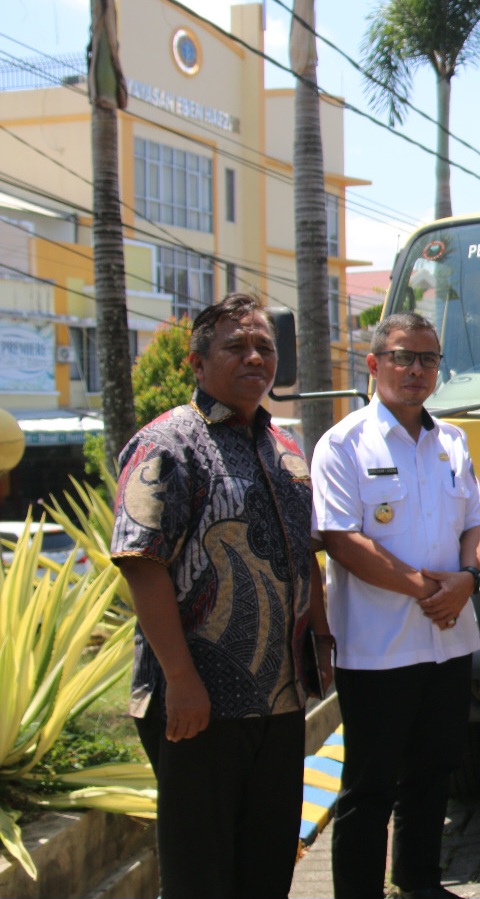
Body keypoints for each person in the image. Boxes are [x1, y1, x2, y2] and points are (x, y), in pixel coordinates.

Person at [110, 293, 330, 899]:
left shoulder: (283, 449)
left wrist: (320, 640)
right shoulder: (168, 444)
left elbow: (304, 557)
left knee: (267, 865)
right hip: (198, 704)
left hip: (280, 699)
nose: (254, 357)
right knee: (201, 875)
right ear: (198, 363)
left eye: (265, 346)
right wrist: (180, 678)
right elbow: (141, 562)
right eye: (236, 345)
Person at [311, 313, 480, 899]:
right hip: (378, 646)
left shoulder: (453, 441)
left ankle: (418, 883)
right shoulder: (343, 443)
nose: (416, 370)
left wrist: (467, 579)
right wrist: (427, 590)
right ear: (373, 363)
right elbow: (342, 540)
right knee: (368, 786)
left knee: (434, 772)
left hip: (449, 637)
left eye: (428, 359)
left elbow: (477, 525)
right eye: (402, 357)